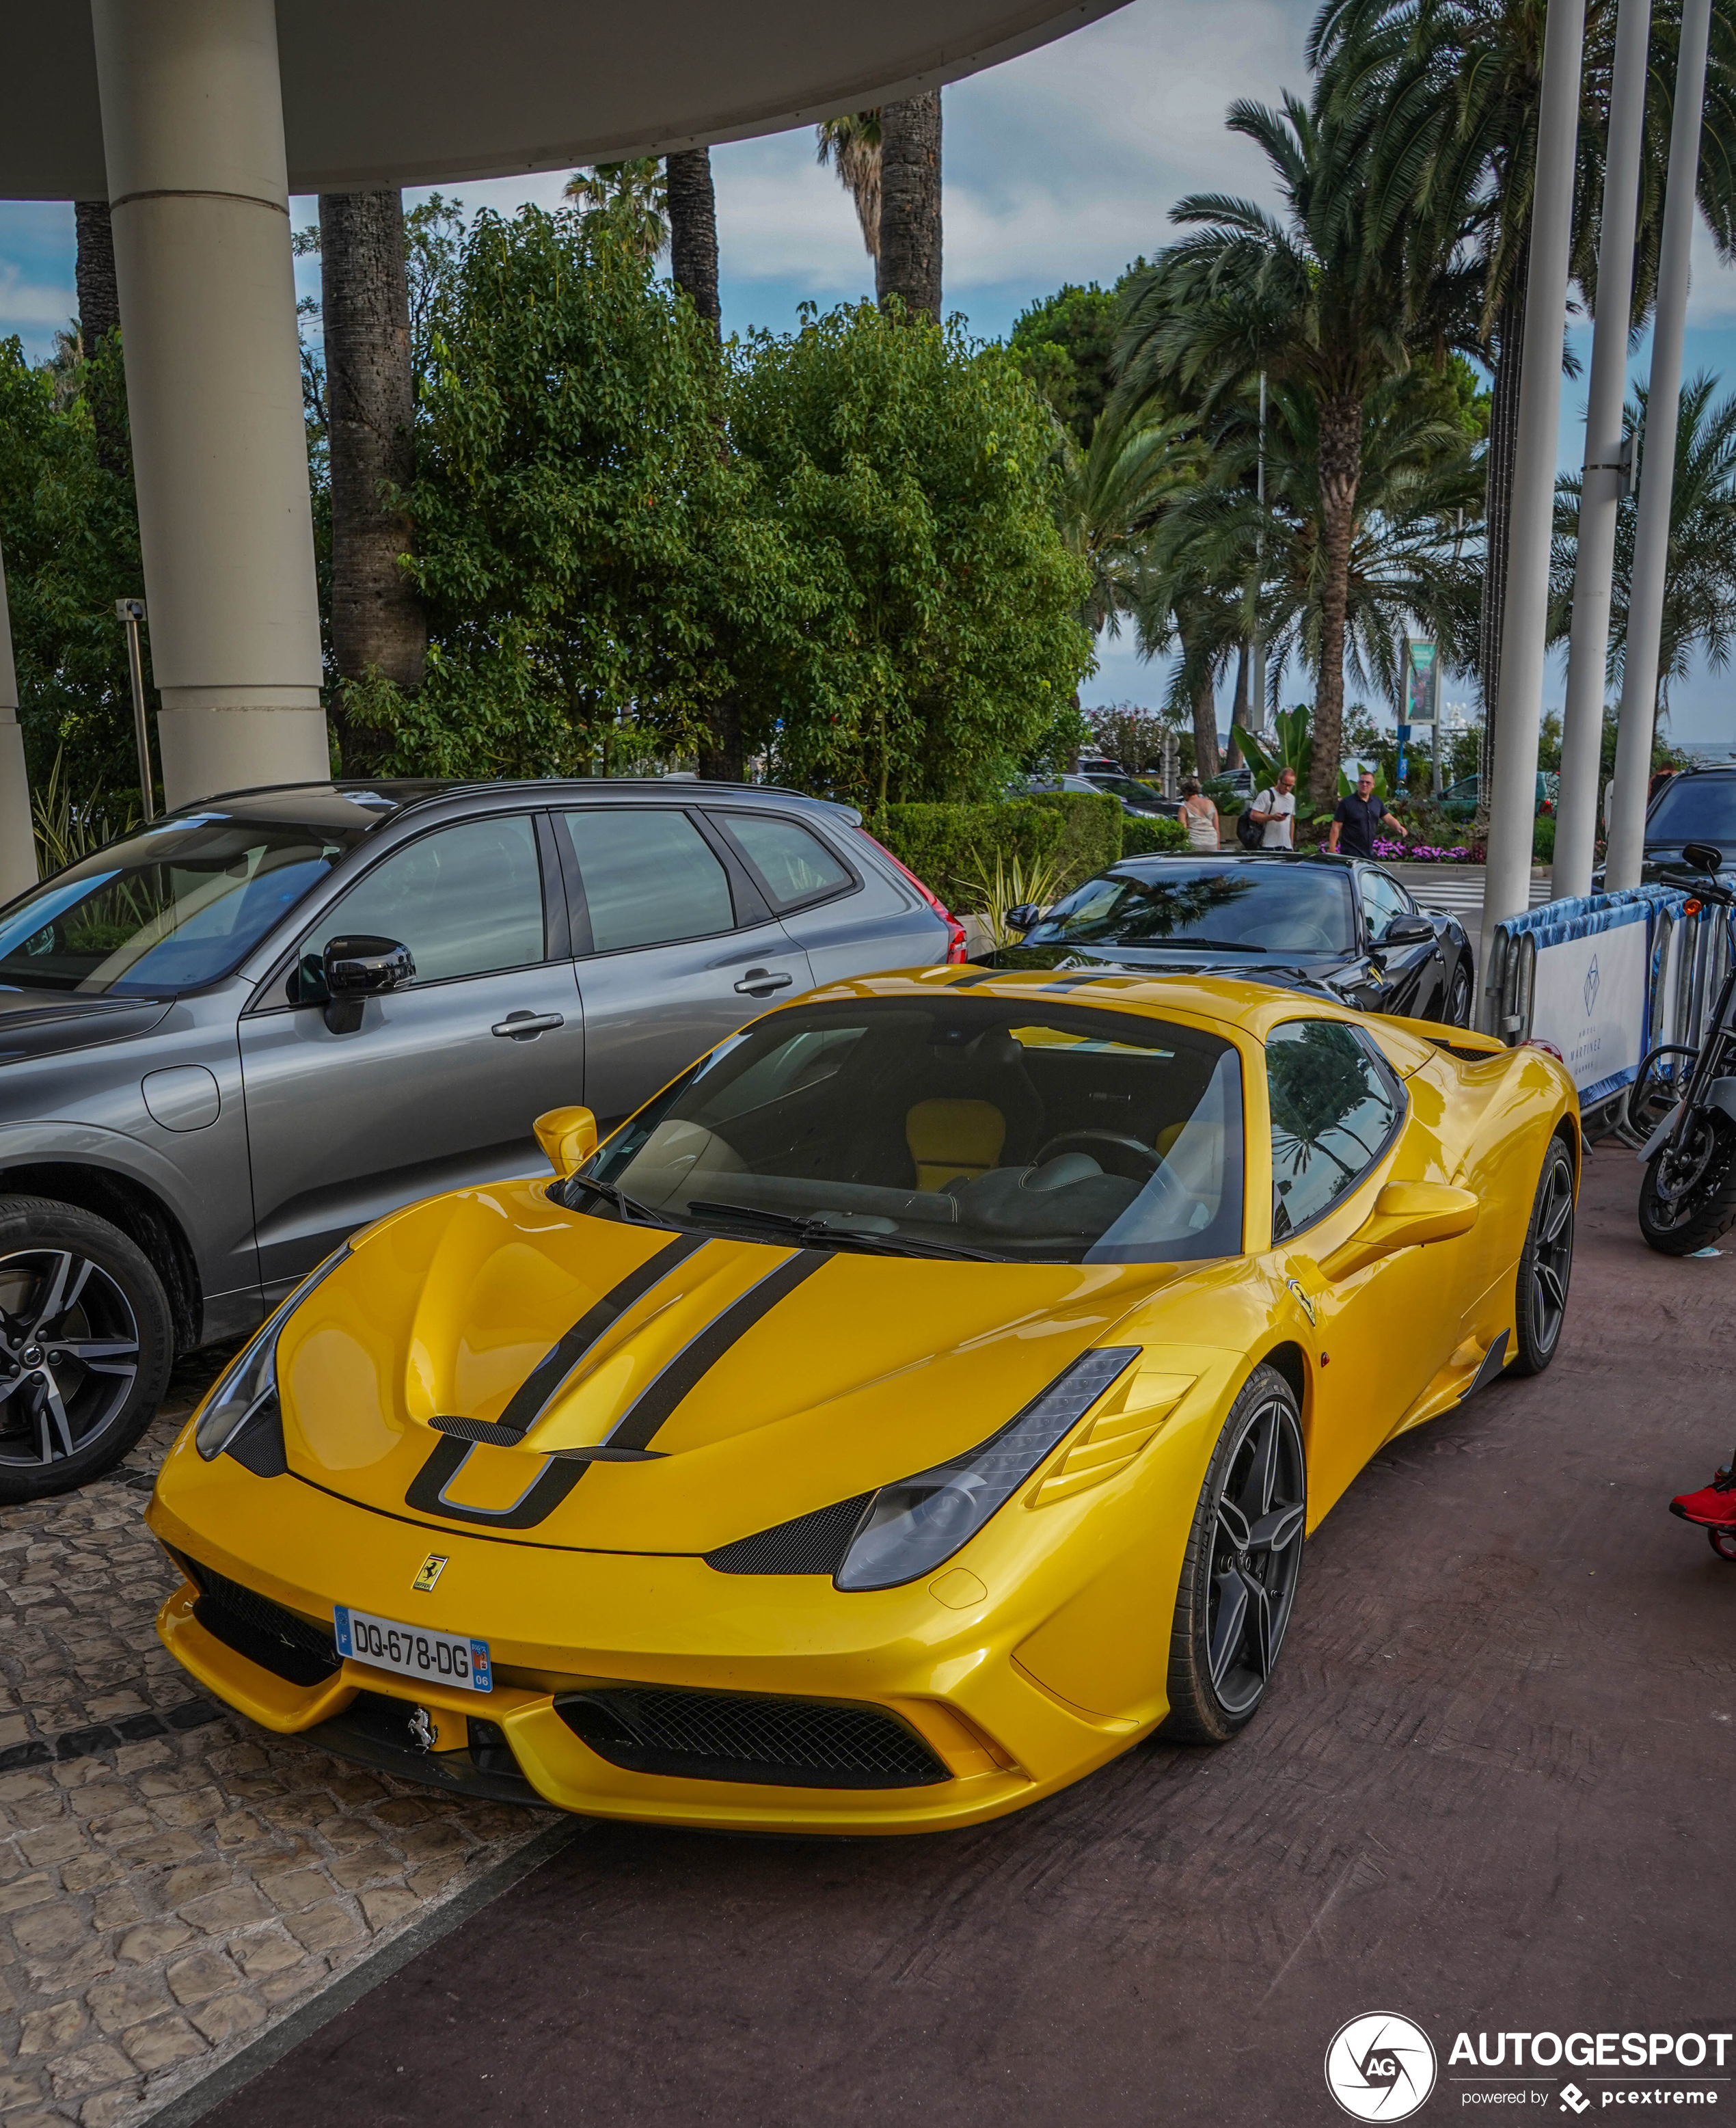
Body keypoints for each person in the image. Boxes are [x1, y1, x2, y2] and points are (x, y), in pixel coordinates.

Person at [1329, 770, 1409, 859]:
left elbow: (1388, 818)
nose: (1364, 785)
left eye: (1368, 782)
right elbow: (1336, 826)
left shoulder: (1377, 802)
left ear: (1373, 785)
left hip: (1369, 854)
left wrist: (1398, 827)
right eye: (1362, 782)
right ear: (1358, 784)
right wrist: (1332, 848)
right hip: (1350, 853)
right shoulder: (1346, 803)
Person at [1249, 766, 1297, 850]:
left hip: (1286, 845)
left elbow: (1291, 821)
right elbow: (1253, 815)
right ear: (1279, 780)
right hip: (1268, 844)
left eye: (1291, 786)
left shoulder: (1291, 798)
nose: (1287, 788)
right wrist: (1272, 817)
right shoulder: (1266, 795)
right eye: (1285, 784)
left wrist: (1291, 843)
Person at [1178, 777, 1219, 850]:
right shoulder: (1210, 803)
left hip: (1194, 842)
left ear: (1186, 792)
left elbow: (1182, 831)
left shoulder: (1184, 808)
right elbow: (1216, 827)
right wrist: (1218, 846)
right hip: (1212, 841)